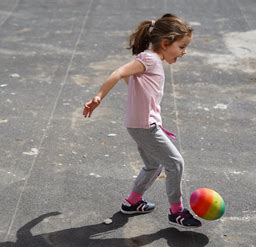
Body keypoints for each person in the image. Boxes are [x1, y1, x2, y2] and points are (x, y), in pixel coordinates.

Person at [83, 13, 201, 228]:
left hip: (141, 125)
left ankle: (132, 202)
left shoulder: (149, 59)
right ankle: (177, 211)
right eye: (182, 47)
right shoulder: (149, 59)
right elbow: (119, 72)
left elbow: (132, 81)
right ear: (166, 43)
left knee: (153, 164)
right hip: (145, 127)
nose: (184, 52)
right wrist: (99, 96)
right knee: (175, 163)